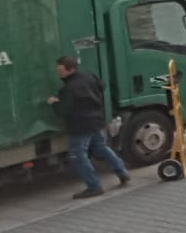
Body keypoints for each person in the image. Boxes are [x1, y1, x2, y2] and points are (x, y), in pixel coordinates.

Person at [49, 54, 130, 199]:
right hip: (96, 121)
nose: (58, 73)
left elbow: (63, 110)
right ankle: (122, 173)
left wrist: (54, 103)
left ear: (71, 69)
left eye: (61, 71)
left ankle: (94, 186)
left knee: (78, 156)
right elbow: (102, 86)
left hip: (80, 126)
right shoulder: (89, 76)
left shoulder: (68, 89)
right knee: (102, 147)